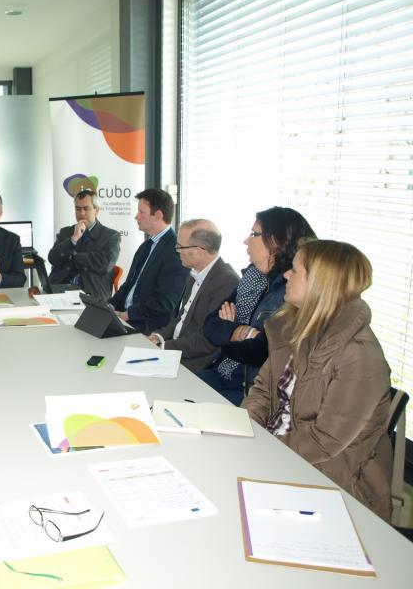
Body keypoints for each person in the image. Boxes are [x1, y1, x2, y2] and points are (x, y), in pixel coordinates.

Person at [242, 240, 392, 520]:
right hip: (276, 454)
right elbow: (262, 391)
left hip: (330, 484)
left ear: (321, 284)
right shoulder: (294, 326)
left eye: (295, 270)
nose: (286, 274)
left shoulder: (360, 356)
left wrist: (261, 449)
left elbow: (324, 442)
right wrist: (244, 428)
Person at [199, 206, 316, 405]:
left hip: (252, 390)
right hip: (223, 372)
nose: (246, 240)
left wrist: (231, 330)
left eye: (254, 234)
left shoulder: (293, 291)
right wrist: (242, 332)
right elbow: (210, 325)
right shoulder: (253, 277)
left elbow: (261, 351)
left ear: (275, 241)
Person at [148, 219, 239, 372]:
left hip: (194, 364)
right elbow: (182, 318)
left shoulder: (226, 282)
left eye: (180, 246)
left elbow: (208, 341)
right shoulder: (195, 274)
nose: (177, 250)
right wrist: (159, 337)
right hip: (175, 350)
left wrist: (163, 346)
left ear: (198, 251)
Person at [108, 188, 189, 333]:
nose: (136, 216)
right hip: (126, 318)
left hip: (148, 327)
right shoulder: (146, 246)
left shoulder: (176, 251)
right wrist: (109, 306)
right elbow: (129, 284)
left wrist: (127, 315)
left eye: (141, 212)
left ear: (157, 216)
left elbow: (164, 302)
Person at [47, 189, 121, 300]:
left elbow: (106, 264)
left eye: (86, 209)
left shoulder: (111, 236)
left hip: (92, 292)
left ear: (96, 210)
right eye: (78, 209)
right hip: (61, 289)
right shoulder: (66, 232)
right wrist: (73, 239)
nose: (81, 213)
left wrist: (74, 257)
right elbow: (52, 258)